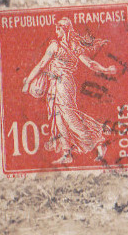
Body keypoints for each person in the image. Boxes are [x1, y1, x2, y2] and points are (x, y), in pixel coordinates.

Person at [22, 17, 116, 164]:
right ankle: (67, 154)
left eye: (58, 29)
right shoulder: (61, 45)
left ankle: (98, 143)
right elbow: (42, 65)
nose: (56, 31)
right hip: (55, 84)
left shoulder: (68, 46)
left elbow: (89, 63)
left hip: (64, 83)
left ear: (64, 29)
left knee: (70, 118)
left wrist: (105, 69)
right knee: (59, 118)